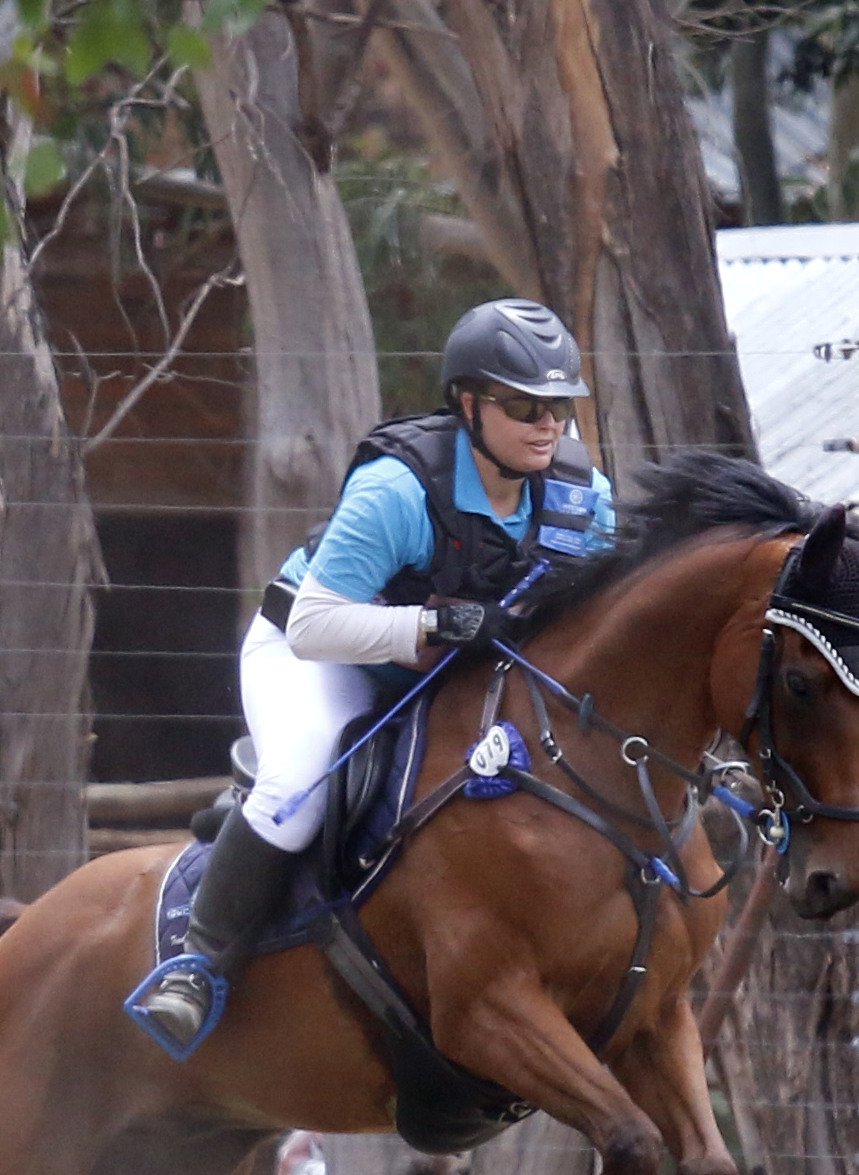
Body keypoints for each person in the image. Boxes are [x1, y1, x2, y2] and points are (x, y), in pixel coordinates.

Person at [124, 298, 617, 1052]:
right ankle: (196, 965)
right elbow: (315, 624)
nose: (547, 424)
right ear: (468, 405)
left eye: (559, 407)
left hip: (452, 675)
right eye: (524, 406)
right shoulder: (400, 487)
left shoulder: (583, 498)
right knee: (300, 786)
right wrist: (438, 626)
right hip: (321, 656)